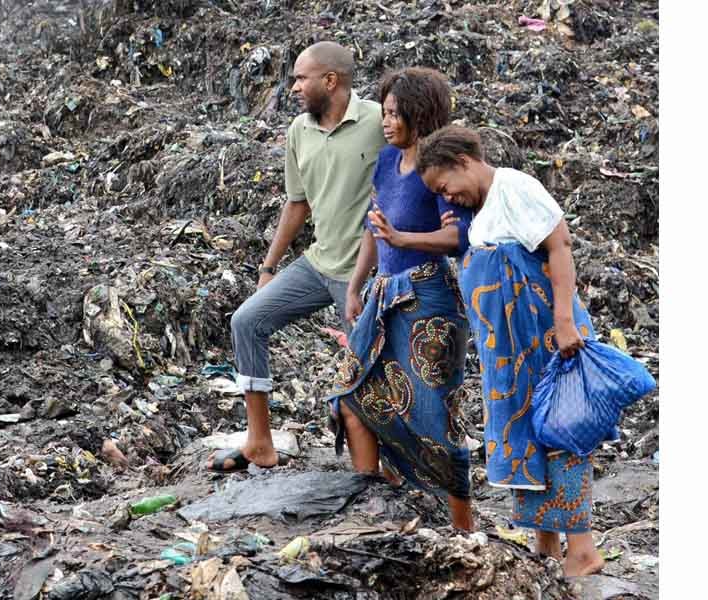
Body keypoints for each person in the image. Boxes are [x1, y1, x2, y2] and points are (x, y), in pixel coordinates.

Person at [416, 125, 605, 576]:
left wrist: (563, 320)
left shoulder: (514, 187)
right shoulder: (484, 213)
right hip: (514, 355)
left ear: (463, 163)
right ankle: (546, 546)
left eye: (446, 187)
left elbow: (558, 247)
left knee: (561, 436)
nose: (449, 198)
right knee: (528, 441)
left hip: (546, 342)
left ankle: (583, 551)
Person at [208, 41, 386, 472]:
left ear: (331, 81)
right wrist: (269, 268)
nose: (292, 87)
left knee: (369, 371)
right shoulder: (298, 131)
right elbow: (296, 203)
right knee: (247, 321)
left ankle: (383, 468)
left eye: (300, 78)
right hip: (318, 262)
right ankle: (260, 443)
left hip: (362, 275)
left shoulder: (379, 121)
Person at [326, 67, 476, 531]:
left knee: (434, 414)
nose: (386, 122)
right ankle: (371, 504)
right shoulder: (387, 163)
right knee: (352, 395)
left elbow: (458, 236)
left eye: (394, 114)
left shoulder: (439, 167)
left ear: (419, 115)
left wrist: (403, 237)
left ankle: (463, 527)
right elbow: (376, 229)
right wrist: (355, 285)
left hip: (429, 299)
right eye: (384, 112)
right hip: (383, 296)